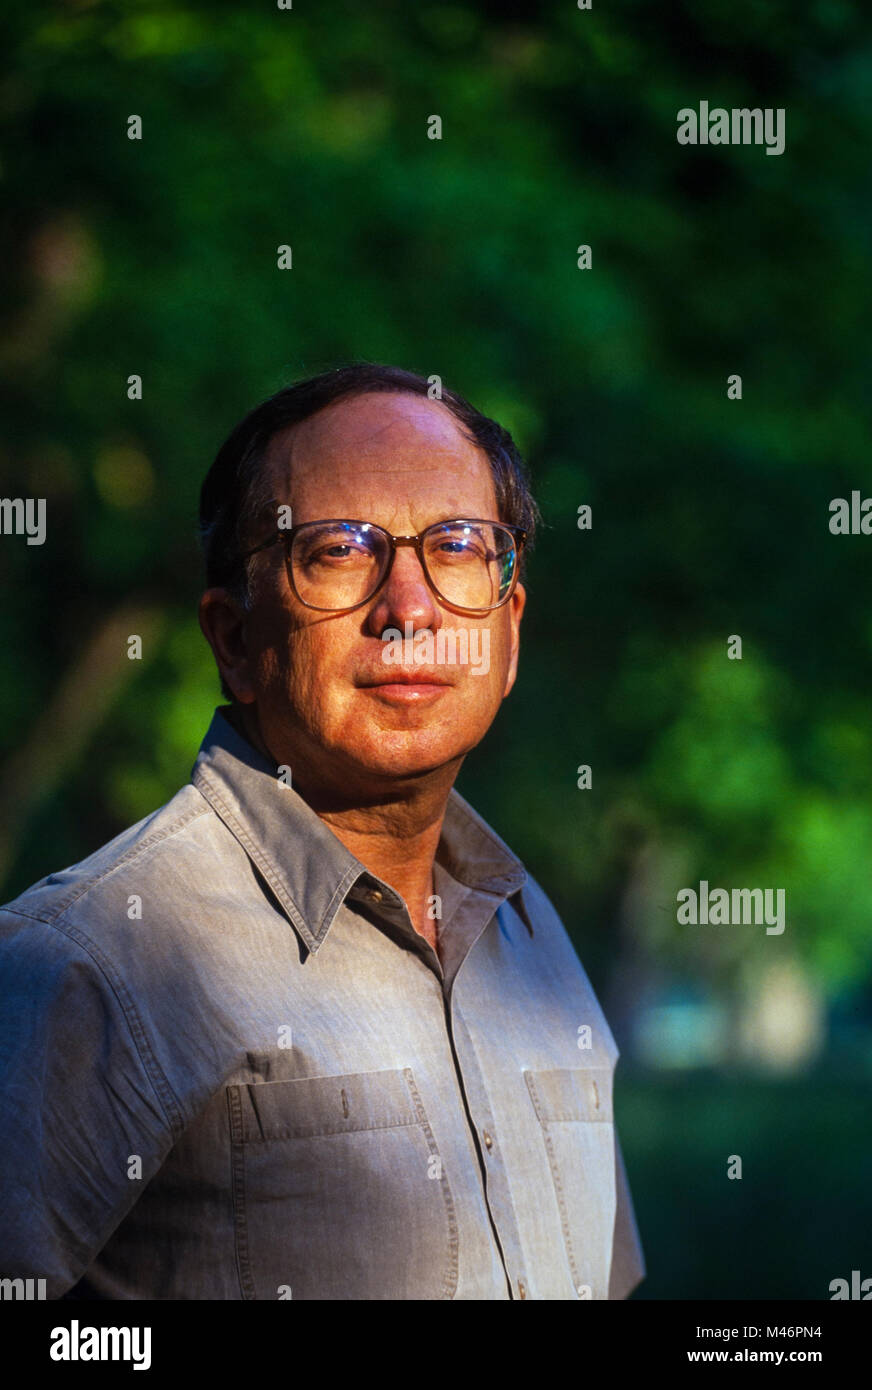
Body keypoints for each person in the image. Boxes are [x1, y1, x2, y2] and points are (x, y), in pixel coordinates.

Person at [0, 364, 645, 1300]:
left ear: (507, 635)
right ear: (234, 638)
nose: (410, 610)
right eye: (338, 549)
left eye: (458, 545)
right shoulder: (84, 965)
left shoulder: (533, 939)